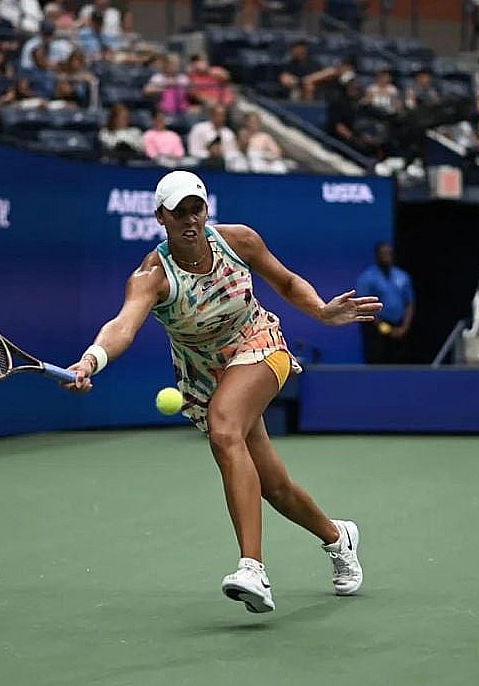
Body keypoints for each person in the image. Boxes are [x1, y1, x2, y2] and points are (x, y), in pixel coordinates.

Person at [62, 171, 377, 613]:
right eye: (179, 212)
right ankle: (337, 537)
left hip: (259, 342)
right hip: (205, 375)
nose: (190, 220)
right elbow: (123, 326)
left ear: (206, 210)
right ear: (160, 217)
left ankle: (253, 568)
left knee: (224, 427)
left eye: (197, 209)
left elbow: (285, 282)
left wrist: (321, 311)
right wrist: (92, 359)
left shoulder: (238, 241)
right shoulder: (151, 276)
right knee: (274, 486)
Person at [355, 242, 415, 364]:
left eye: (389, 253)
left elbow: (409, 303)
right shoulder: (367, 278)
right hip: (376, 326)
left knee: (399, 360)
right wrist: (386, 329)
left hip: (399, 325)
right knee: (377, 358)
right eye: (384, 254)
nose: (387, 256)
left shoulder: (402, 276)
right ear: (377, 256)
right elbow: (364, 306)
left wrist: (404, 327)